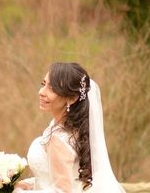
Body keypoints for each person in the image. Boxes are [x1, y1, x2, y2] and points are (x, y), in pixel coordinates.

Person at [14, 63, 126, 193]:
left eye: (51, 88)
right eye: (43, 84)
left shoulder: (58, 138)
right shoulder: (77, 130)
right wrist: (29, 184)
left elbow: (62, 191)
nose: (41, 92)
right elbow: (70, 180)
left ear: (72, 98)